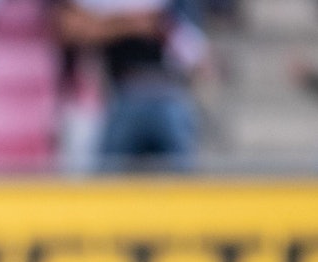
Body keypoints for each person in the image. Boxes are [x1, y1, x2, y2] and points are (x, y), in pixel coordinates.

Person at [53, 0, 212, 172]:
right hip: (124, 93)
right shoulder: (111, 11)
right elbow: (72, 27)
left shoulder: (172, 12)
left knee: (184, 175)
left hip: (167, 93)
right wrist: (130, 25)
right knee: (107, 175)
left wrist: (163, 29)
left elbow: (200, 59)